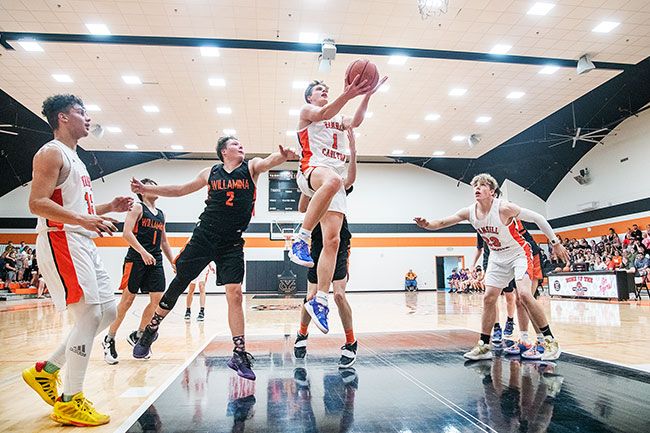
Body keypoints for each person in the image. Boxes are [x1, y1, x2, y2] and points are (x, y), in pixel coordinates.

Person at [130, 135, 297, 381]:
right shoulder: (210, 173)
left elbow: (267, 162)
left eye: (242, 143)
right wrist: (146, 189)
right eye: (235, 144)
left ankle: (239, 353)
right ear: (223, 152)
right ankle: (151, 329)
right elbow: (179, 190)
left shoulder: (251, 167)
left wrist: (282, 157)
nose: (241, 146)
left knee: (236, 293)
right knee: (180, 283)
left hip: (232, 242)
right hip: (204, 237)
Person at [22, 94, 132, 426]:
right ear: (63, 118)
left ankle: (46, 371)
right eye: (81, 112)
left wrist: (107, 207)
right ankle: (70, 401)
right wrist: (82, 221)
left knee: (108, 311)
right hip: (61, 240)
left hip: (81, 241)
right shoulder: (50, 153)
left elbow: (78, 210)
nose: (88, 117)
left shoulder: (75, 158)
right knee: (89, 313)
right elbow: (37, 203)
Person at [414, 173, 569, 362]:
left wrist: (555, 243)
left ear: (492, 192)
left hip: (519, 253)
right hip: (497, 257)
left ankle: (550, 341)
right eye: (475, 186)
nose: (477, 188)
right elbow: (443, 222)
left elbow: (538, 218)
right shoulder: (469, 212)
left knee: (525, 295)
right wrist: (427, 224)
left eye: (482, 185)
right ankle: (484, 345)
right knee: (488, 298)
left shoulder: (504, 208)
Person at [289, 75, 387, 336]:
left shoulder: (339, 118)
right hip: (312, 171)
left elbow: (354, 121)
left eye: (326, 90)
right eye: (320, 90)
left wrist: (367, 95)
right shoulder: (308, 112)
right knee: (333, 180)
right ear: (309, 96)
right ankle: (301, 238)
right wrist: (349, 94)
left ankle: (320, 300)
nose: (324, 92)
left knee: (332, 241)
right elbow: (324, 112)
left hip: (333, 181)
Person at [294, 129, 357, 367]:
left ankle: (351, 342)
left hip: (338, 241)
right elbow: (302, 208)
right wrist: (307, 183)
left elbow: (350, 179)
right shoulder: (317, 180)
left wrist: (353, 151)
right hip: (318, 243)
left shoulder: (338, 181)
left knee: (339, 295)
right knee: (311, 296)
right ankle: (302, 334)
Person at [102, 178, 175, 365]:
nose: (155, 188)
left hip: (155, 258)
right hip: (136, 259)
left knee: (158, 301)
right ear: (142, 191)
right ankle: (109, 338)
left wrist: (173, 261)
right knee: (126, 301)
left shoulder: (161, 214)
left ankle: (140, 334)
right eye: (151, 185)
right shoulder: (137, 208)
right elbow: (126, 233)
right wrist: (142, 252)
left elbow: (164, 241)